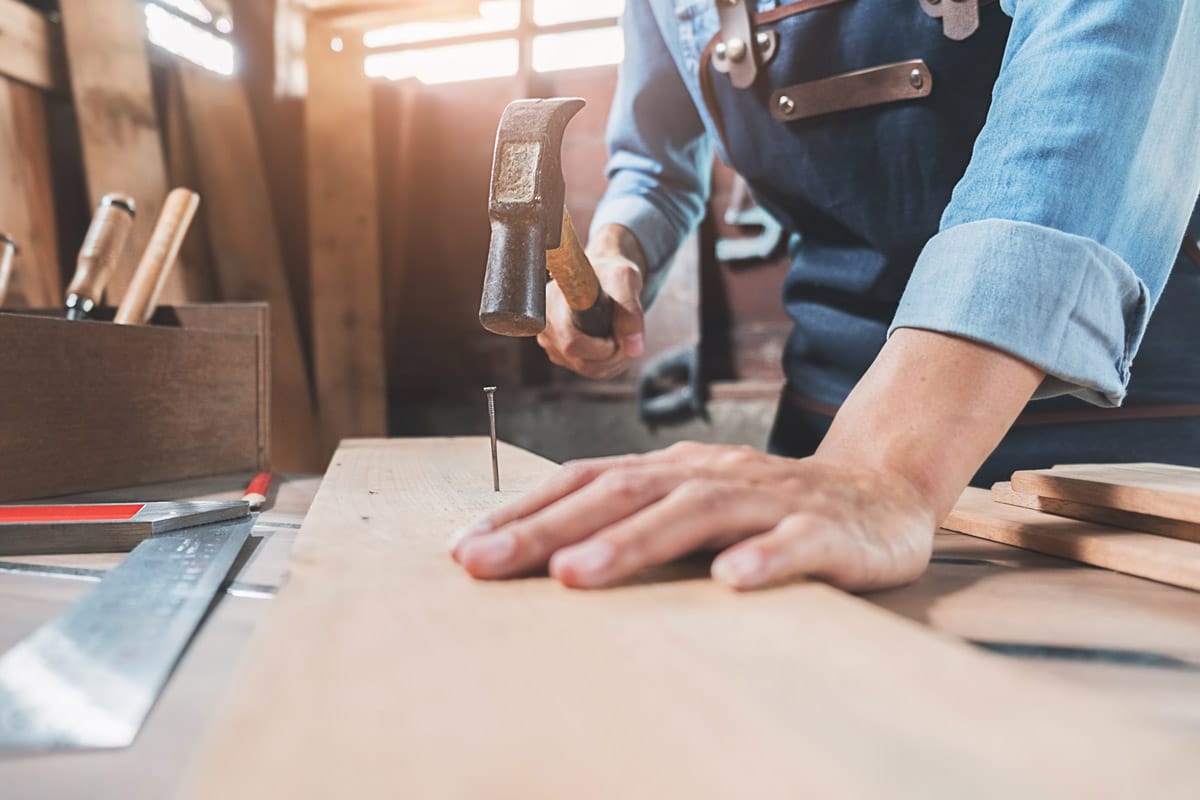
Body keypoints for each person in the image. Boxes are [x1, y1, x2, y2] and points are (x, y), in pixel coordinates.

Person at [452, 0, 1200, 592]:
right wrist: (619, 248)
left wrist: (890, 464)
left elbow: (1114, 30)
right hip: (826, 442)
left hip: (1115, 460)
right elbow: (652, 163)